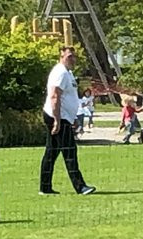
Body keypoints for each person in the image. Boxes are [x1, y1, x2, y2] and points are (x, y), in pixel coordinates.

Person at [40, 46, 96, 196]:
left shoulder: (68, 73)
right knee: (69, 151)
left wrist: (73, 118)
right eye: (69, 56)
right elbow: (54, 96)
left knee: (51, 152)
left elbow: (69, 97)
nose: (73, 59)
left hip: (64, 117)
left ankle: (45, 188)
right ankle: (80, 187)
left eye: (74, 56)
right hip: (57, 117)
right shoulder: (60, 72)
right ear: (61, 56)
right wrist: (57, 120)